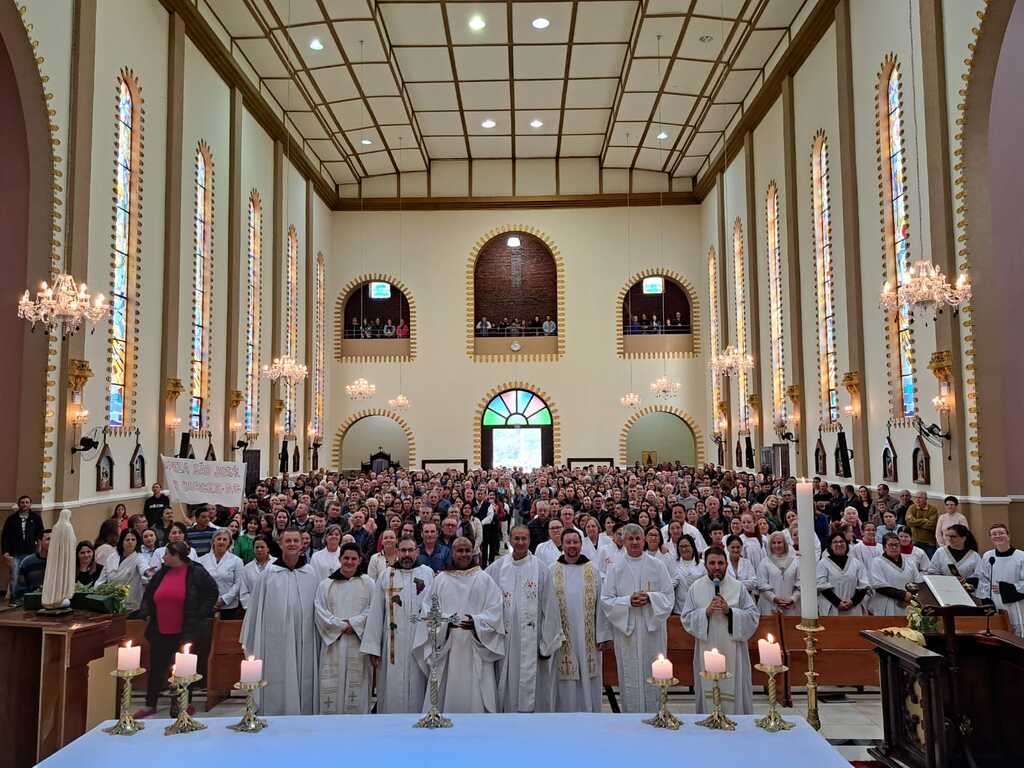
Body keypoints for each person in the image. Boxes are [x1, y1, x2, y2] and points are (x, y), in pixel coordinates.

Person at [411, 537, 504, 713]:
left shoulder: (484, 579)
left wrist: (477, 622)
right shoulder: (441, 580)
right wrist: (445, 623)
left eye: (467, 550)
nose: (464, 554)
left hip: (475, 646)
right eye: (460, 551)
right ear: (452, 552)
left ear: (474, 552)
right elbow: (427, 610)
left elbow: (496, 610)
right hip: (448, 647)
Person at [134, 540, 218, 719]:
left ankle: (184, 704)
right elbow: (149, 594)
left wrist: (201, 614)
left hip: (186, 628)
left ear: (176, 556)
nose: (163, 557)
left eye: (166, 554)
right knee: (156, 668)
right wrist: (146, 612)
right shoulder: (162, 573)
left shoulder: (196, 572)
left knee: (184, 669)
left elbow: (212, 592)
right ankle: (150, 704)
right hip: (160, 628)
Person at [240, 528, 321, 714]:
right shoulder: (269, 574)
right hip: (276, 641)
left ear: (302, 544)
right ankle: (277, 711)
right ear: (280, 544)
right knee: (278, 674)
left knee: (305, 677)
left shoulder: (311, 574)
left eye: (296, 541)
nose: (292, 544)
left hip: (306, 639)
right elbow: (255, 609)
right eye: (288, 541)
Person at [600, 523, 674, 713]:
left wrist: (650, 597)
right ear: (623, 541)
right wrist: (628, 601)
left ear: (644, 540)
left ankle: (657, 713)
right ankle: (631, 717)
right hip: (628, 633)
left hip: (652, 631)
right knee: (629, 674)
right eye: (630, 539)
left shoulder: (657, 565)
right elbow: (606, 600)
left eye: (637, 538)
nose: (634, 542)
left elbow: (668, 596)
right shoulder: (615, 567)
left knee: (653, 672)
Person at [485, 525, 560, 713]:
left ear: (529, 540)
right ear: (509, 540)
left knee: (531, 685)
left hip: (532, 642)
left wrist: (547, 642)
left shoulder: (541, 569)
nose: (520, 542)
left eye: (524, 539)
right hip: (505, 640)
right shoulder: (497, 568)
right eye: (516, 538)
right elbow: (484, 596)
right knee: (506, 682)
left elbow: (550, 606)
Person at [680, 545, 760, 715]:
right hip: (706, 646)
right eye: (712, 563)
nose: (717, 567)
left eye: (721, 563)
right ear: (705, 565)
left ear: (726, 564)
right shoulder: (696, 588)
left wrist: (730, 612)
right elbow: (686, 617)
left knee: (733, 687)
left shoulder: (738, 587)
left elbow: (753, 616)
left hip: (733, 649)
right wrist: (705, 613)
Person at [361, 536, 435, 713]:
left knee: (419, 686)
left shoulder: (427, 574)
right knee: (392, 688)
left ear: (417, 552)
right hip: (392, 646)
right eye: (403, 550)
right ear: (397, 552)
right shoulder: (386, 575)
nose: (407, 554)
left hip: (419, 643)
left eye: (411, 550)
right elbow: (376, 612)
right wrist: (373, 647)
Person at [544, 525, 610, 712]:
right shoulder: (551, 570)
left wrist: (602, 635)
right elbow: (547, 608)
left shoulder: (593, 570)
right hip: (561, 638)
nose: (572, 545)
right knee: (563, 678)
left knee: (588, 678)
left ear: (581, 545)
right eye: (568, 542)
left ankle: (589, 715)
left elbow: (601, 604)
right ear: (562, 545)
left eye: (575, 542)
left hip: (587, 638)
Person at [314, 543, 374, 714]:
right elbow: (320, 611)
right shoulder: (326, 584)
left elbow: (374, 609)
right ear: (340, 559)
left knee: (357, 690)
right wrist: (342, 626)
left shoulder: (368, 583)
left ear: (360, 560)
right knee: (332, 688)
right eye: (346, 558)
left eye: (353, 558)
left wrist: (353, 624)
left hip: (358, 645)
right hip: (333, 645)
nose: (349, 562)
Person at [977, 522, 1024, 637]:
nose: (997, 536)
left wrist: (1006, 588)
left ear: (1008, 536)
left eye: (1001, 533)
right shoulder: (988, 556)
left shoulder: (1021, 556)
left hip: (1017, 604)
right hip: (996, 602)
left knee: (1018, 632)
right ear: (991, 538)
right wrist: (986, 596)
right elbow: (982, 578)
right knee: (999, 632)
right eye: (994, 534)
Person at [869, 532, 921, 616]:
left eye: (896, 545)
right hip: (886, 605)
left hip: (908, 605)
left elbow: (918, 582)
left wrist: (911, 596)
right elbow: (878, 586)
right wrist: (902, 594)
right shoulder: (877, 562)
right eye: (890, 545)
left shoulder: (909, 561)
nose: (894, 547)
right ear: (884, 547)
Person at [816, 532, 869, 616]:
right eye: (835, 542)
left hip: (853, 609)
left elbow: (864, 586)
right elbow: (822, 586)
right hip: (832, 608)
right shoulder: (823, 564)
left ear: (846, 544)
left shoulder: (856, 563)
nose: (839, 544)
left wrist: (852, 602)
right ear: (830, 545)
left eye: (842, 541)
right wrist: (838, 603)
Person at [2, 495, 45, 598]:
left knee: (31, 574)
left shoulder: (36, 518)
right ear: (19, 504)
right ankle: (15, 597)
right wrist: (5, 552)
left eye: (27, 502)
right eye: (22, 502)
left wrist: (40, 549)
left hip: (31, 552)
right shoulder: (11, 519)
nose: (24, 504)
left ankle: (30, 596)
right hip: (16, 552)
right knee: (15, 575)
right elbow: (5, 537)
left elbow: (41, 534)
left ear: (30, 504)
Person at [96, 529, 145, 613]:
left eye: (133, 540)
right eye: (127, 540)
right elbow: (102, 579)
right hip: (110, 603)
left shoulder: (139, 558)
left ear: (137, 542)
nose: (130, 542)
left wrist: (147, 572)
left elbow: (144, 568)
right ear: (122, 541)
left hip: (130, 605)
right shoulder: (112, 557)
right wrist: (98, 591)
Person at [198, 529, 244, 619]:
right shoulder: (202, 560)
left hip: (229, 606)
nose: (221, 542)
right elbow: (199, 582)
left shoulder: (237, 561)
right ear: (213, 541)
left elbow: (238, 583)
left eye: (224, 539)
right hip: (207, 605)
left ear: (229, 543)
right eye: (219, 539)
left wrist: (223, 600)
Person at [756, 531, 800, 616]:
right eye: (774, 543)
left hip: (791, 607)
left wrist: (793, 599)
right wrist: (774, 599)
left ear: (784, 544)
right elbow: (761, 584)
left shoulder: (795, 561)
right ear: (770, 545)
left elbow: (800, 582)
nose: (776, 545)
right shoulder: (764, 563)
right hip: (770, 606)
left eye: (779, 542)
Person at [928, 524, 980, 588]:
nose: (949, 539)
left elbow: (979, 576)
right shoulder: (940, 552)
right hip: (944, 590)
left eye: (953, 536)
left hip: (967, 592)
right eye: (947, 536)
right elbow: (932, 572)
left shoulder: (974, 556)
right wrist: (947, 580)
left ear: (963, 538)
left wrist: (967, 580)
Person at [239, 536, 275, 611]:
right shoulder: (247, 568)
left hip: (274, 608)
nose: (259, 549)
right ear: (253, 549)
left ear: (268, 548)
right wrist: (251, 608)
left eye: (262, 547)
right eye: (256, 547)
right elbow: (244, 592)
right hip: (252, 609)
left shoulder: (277, 565)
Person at [671, 534, 705, 609]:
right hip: (679, 608)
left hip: (698, 607)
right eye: (681, 547)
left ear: (692, 546)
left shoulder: (703, 565)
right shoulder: (673, 564)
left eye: (686, 546)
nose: (683, 549)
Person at [14, 528, 50, 598]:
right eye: (48, 539)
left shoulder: (59, 562)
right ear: (40, 541)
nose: (52, 542)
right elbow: (20, 589)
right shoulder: (27, 562)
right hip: (32, 600)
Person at [905, 491, 939, 557]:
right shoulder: (912, 508)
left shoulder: (933, 509)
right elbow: (909, 522)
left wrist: (915, 523)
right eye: (916, 497)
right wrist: (924, 520)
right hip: (915, 540)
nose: (917, 500)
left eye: (920, 498)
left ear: (926, 499)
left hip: (929, 542)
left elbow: (931, 525)